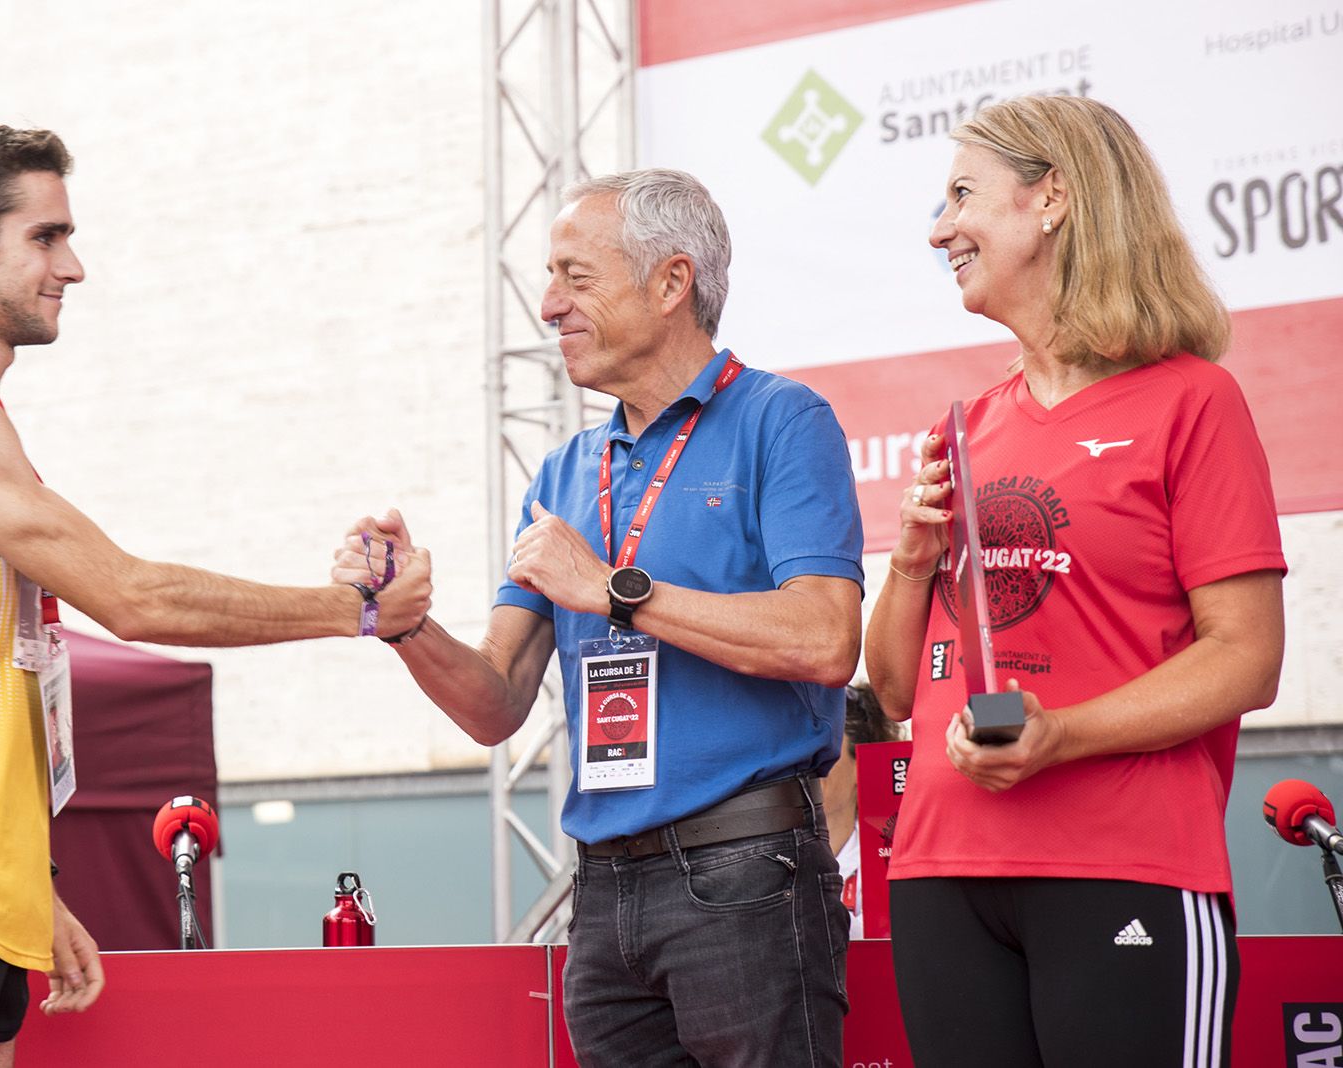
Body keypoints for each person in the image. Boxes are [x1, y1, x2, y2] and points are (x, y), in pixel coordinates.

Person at [0, 118, 431, 1067]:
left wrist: (29, 882)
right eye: (45, 236)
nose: (72, 266)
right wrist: (356, 613)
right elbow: (133, 597)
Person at [333, 168, 864, 1066]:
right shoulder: (564, 475)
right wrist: (404, 623)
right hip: (604, 885)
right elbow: (496, 702)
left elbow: (824, 639)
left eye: (577, 277)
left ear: (671, 283)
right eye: (551, 278)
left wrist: (618, 589)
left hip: (745, 868)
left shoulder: (783, 420)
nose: (547, 305)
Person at [864, 95, 1285, 1068]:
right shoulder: (963, 429)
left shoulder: (1193, 401)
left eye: (961, 195)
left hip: (1123, 861)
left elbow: (1247, 658)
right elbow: (893, 690)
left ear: (1049, 198)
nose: (938, 230)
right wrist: (910, 560)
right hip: (941, 870)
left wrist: (1063, 736)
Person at [823, 683, 905, 939]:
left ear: (861, 763)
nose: (805, 762)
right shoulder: (764, 854)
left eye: (822, 747)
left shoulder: (893, 856)